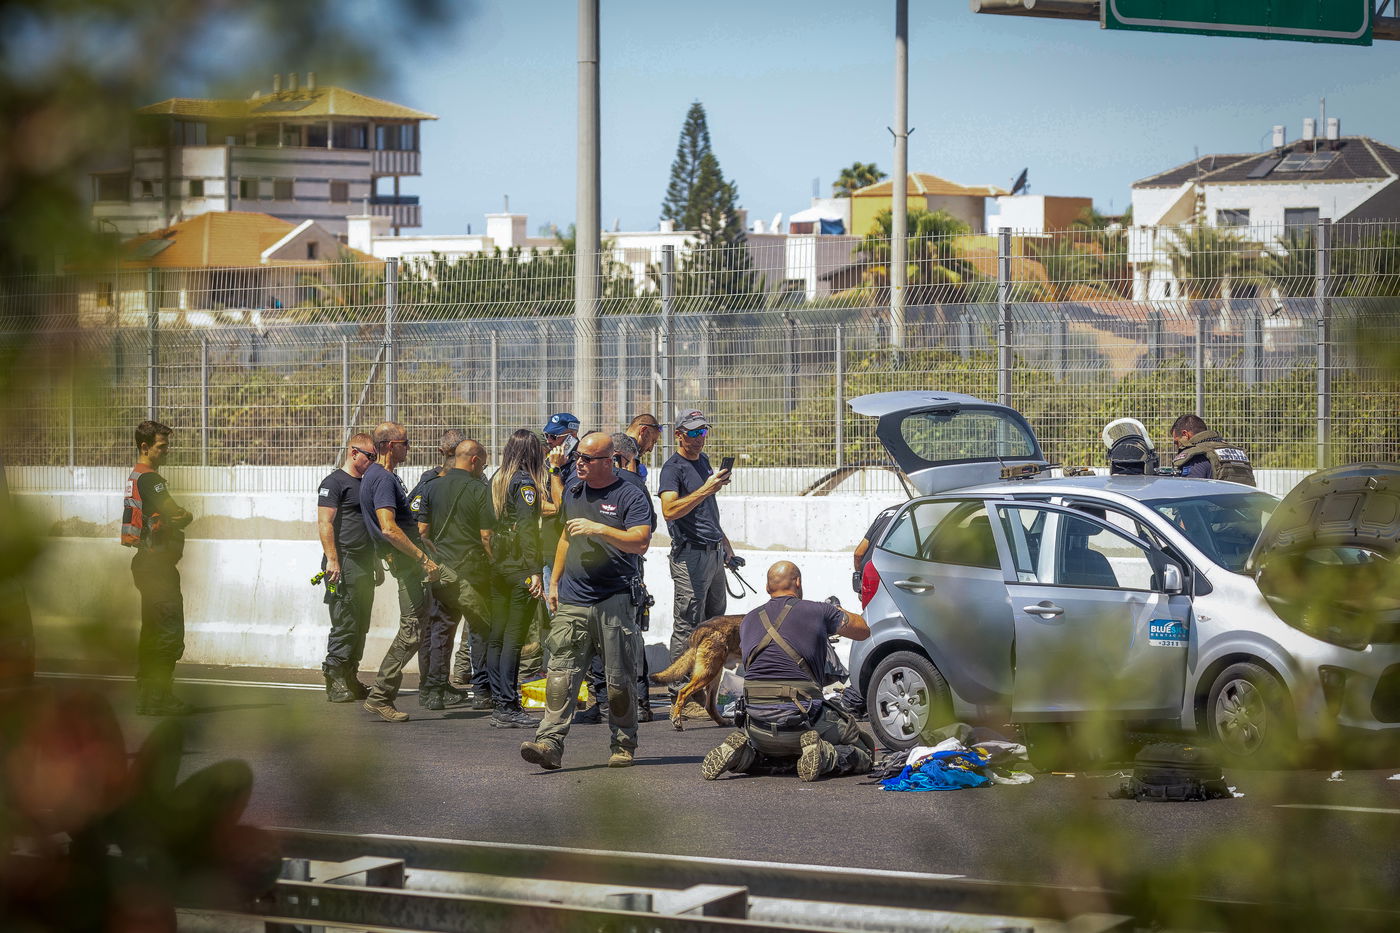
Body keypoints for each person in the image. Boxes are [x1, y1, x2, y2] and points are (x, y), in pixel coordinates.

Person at [520, 432, 653, 771]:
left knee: (619, 681)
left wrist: (600, 529)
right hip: (574, 598)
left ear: (609, 461)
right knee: (561, 676)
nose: (578, 462)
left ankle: (623, 743)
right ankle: (549, 743)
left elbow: (640, 542)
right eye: (578, 456)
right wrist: (554, 582)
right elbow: (565, 536)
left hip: (615, 599)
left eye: (587, 459)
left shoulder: (630, 492)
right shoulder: (574, 490)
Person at [700, 561, 875, 782]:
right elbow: (863, 630)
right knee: (864, 752)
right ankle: (824, 755)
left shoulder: (748, 620)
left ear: (767, 588)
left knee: (775, 753)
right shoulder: (819, 611)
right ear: (798, 582)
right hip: (804, 719)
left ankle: (743, 757)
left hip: (757, 724)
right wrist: (835, 611)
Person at [359, 421, 441, 722]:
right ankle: (381, 695)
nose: (409, 447)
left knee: (416, 627)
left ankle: (383, 694)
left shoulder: (379, 475)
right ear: (392, 446)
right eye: (405, 443)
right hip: (408, 566)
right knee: (412, 631)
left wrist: (421, 542)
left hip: (408, 561)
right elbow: (389, 528)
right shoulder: (382, 478)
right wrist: (421, 558)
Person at [658, 407, 734, 714]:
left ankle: (704, 691)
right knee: (688, 625)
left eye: (703, 431)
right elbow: (669, 511)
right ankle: (680, 695)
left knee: (715, 625)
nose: (700, 438)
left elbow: (707, 511)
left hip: (713, 551)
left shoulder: (702, 461)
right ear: (679, 435)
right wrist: (705, 489)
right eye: (693, 433)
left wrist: (725, 544)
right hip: (690, 555)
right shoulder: (672, 469)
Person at [415, 439, 496, 711]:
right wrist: (494, 562)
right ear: (474, 460)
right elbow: (486, 536)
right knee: (480, 628)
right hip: (474, 573)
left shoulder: (431, 486)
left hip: (442, 572)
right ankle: (482, 691)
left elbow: (422, 531)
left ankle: (435, 691)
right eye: (483, 463)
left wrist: (431, 560)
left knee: (440, 630)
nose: (483, 468)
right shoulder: (480, 489)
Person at [121, 420, 194, 716]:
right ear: (145, 447)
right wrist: (187, 515)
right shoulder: (151, 479)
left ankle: (147, 694)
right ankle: (157, 697)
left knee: (152, 630)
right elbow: (177, 513)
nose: (167, 451)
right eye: (162, 446)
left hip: (145, 564)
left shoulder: (136, 476)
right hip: (157, 567)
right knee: (168, 631)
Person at [485, 430, 546, 729]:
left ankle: (500, 702)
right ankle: (508, 705)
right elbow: (527, 529)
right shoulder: (524, 483)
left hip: (498, 566)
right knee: (513, 639)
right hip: (520, 567)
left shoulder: (497, 479)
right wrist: (535, 570)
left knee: (497, 636)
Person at [315, 433, 379, 703]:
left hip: (364, 563)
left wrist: (376, 562)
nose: (373, 461)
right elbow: (325, 523)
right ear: (354, 453)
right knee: (345, 622)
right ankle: (335, 678)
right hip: (343, 562)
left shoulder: (365, 484)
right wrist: (332, 559)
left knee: (361, 624)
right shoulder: (334, 483)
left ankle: (351, 676)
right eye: (370, 456)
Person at [613, 431, 657, 722]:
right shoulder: (634, 483)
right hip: (627, 571)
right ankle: (638, 702)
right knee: (631, 636)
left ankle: (609, 702)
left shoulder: (585, 482)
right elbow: (650, 524)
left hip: (618, 573)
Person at [1169, 414, 1256, 486]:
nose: (1177, 446)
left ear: (1185, 434)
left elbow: (1190, 491)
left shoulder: (1196, 455)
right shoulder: (1238, 452)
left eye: (1177, 442)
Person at [624, 413, 663, 479]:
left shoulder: (613, 446)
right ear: (643, 431)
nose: (650, 449)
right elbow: (631, 482)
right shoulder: (630, 450)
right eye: (652, 441)